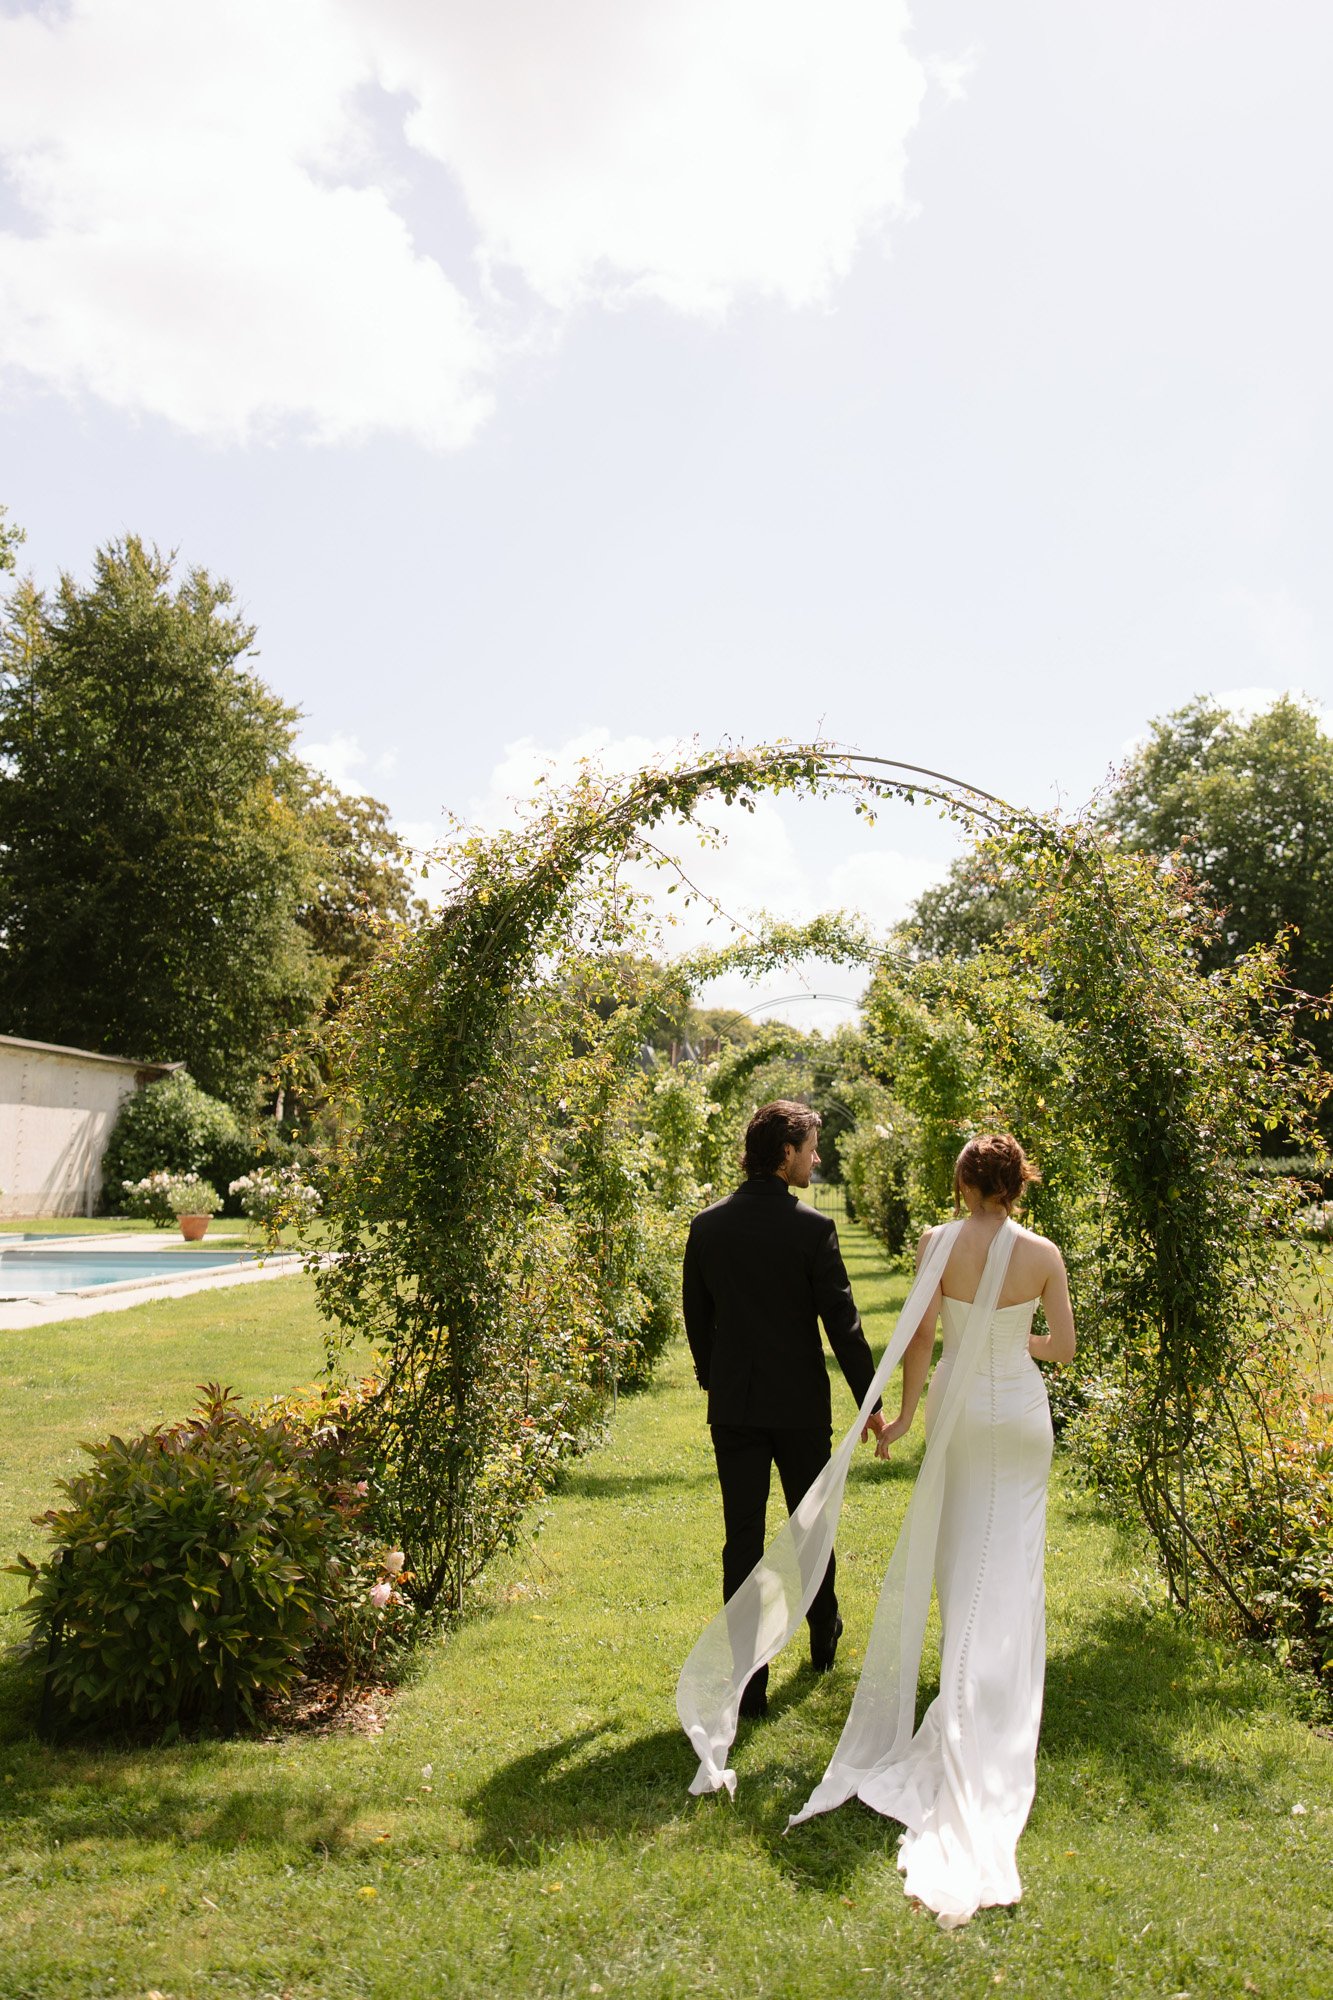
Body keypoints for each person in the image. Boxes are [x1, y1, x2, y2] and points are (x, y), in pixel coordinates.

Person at [677, 1131, 1075, 1933]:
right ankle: (996, 1699)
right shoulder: (1044, 1253)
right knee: (1013, 1567)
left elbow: (920, 1337)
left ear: (962, 1180)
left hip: (964, 1422)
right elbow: (1060, 1348)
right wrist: (1009, 1341)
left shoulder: (936, 1241)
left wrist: (898, 1417)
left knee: (961, 1567)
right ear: (1017, 1182)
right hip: (1022, 1419)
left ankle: (951, 1699)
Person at [681, 1100, 888, 1719]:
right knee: (810, 1530)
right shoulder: (811, 1230)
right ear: (786, 1152)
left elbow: (698, 1318)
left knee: (741, 1537)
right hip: (799, 1406)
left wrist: (713, 1375)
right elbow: (844, 1328)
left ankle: (749, 1682)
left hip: (736, 1407)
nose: (817, 1158)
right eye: (812, 1148)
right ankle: (824, 1633)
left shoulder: (707, 1225)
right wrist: (870, 1402)